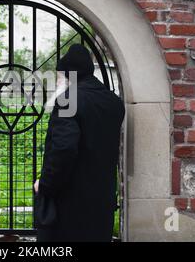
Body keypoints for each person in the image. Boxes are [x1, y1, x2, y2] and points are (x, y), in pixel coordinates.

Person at [34, 43, 125, 242]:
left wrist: (46, 185)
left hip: (71, 205)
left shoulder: (69, 100)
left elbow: (64, 148)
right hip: (102, 201)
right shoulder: (114, 102)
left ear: (68, 75)